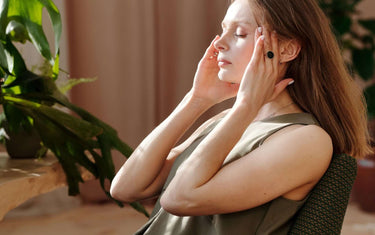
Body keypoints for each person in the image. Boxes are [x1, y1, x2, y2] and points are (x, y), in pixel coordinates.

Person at [110, 0, 372, 234]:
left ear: (286, 50)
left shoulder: (306, 140)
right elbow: (125, 188)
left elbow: (179, 199)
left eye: (239, 33)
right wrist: (196, 100)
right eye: (223, 29)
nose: (219, 43)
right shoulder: (229, 120)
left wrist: (245, 106)